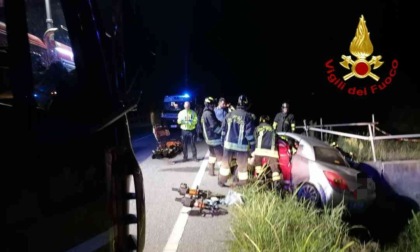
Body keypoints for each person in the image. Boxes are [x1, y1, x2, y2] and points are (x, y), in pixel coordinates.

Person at [219, 94, 256, 187]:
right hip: (242, 148)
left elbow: (223, 130)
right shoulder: (248, 116)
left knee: (225, 165)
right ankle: (242, 184)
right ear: (247, 105)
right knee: (242, 167)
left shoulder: (229, 115)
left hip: (228, 146)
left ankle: (221, 181)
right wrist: (253, 145)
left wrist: (222, 142)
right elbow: (249, 134)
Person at [252, 115, 282, 186]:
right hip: (271, 151)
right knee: (275, 169)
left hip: (259, 150)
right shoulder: (272, 129)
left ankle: (260, 180)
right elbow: (276, 139)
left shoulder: (257, 128)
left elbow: (254, 138)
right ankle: (276, 185)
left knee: (258, 165)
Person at [201, 96, 223, 176]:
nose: (213, 106)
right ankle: (222, 176)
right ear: (208, 104)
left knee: (212, 155)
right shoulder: (208, 114)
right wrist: (222, 132)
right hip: (214, 139)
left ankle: (211, 172)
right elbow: (214, 126)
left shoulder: (205, 113)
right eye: (212, 104)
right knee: (220, 157)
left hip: (209, 139)